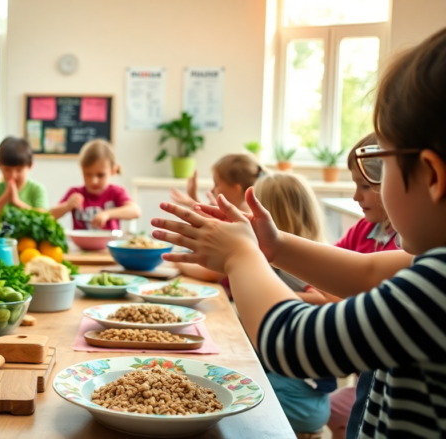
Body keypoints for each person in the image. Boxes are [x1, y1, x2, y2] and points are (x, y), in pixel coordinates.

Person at [151, 27, 446, 438]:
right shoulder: (432, 267)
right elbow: (364, 272)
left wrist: (242, 255)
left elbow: (292, 343)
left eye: (384, 161)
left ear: (432, 175)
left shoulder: (438, 286)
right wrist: (274, 244)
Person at [325, 132, 400, 439]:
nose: (356, 196)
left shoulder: (407, 253)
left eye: (366, 186)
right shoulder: (364, 228)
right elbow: (330, 266)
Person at [251, 172, 335, 438]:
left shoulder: (293, 265)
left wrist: (273, 295)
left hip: (300, 398)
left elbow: (322, 297)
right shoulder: (307, 256)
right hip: (303, 389)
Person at [172, 153, 263, 283]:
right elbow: (211, 220)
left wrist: (178, 262)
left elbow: (212, 274)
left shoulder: (245, 224)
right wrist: (193, 199)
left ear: (236, 189)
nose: (213, 189)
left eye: (216, 184)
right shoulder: (245, 215)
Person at [50, 139, 140, 229]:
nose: (94, 181)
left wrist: (107, 214)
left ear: (113, 171)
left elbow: (135, 211)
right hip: (80, 243)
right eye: (88, 174)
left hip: (109, 242)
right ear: (81, 169)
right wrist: (67, 206)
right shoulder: (75, 192)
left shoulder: (116, 192)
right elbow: (49, 216)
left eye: (100, 175)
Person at [0, 136, 48, 221]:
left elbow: (43, 219)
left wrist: (16, 201)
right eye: (7, 170)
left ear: (30, 166)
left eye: (19, 170)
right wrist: (5, 197)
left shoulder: (37, 189)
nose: (13, 175)